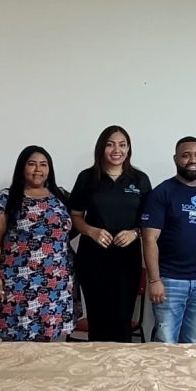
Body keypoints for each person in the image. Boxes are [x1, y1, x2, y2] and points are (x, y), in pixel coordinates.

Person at [0, 146, 75, 341]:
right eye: (32, 164)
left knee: (48, 344)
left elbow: (71, 227)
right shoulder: (7, 198)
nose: (38, 169)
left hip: (56, 284)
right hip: (18, 284)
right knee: (16, 344)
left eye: (43, 164)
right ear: (22, 168)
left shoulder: (62, 196)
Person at [69, 126, 152, 342]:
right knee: (98, 322)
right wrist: (91, 231)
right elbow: (75, 216)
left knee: (122, 322)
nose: (117, 150)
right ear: (101, 148)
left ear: (128, 149)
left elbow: (149, 221)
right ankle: (97, 364)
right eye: (110, 144)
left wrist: (135, 233)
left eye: (122, 145)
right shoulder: (87, 178)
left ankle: (121, 364)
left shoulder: (140, 180)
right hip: (93, 260)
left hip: (127, 261)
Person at [141, 136, 196, 343]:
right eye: (186, 155)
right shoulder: (162, 192)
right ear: (175, 159)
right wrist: (154, 280)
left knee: (194, 344)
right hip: (169, 282)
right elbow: (149, 238)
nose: (193, 160)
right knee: (165, 344)